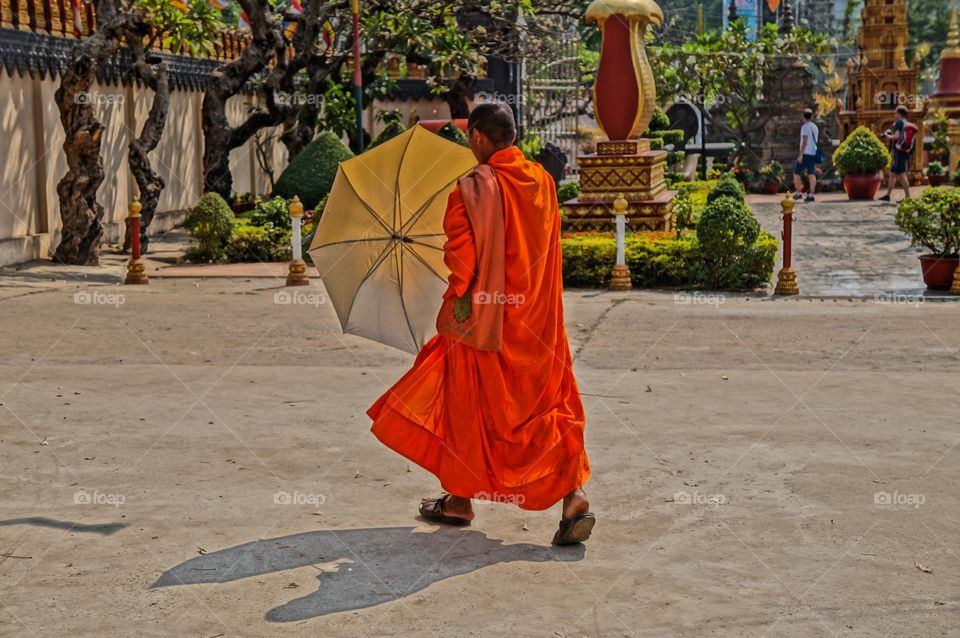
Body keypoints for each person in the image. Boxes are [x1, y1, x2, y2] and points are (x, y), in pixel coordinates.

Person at [367, 103, 595, 546]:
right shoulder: (543, 183)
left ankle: (459, 499)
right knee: (547, 406)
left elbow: (463, 261)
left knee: (465, 405)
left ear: (476, 137)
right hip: (540, 324)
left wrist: (457, 300)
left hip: (488, 325)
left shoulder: (472, 188)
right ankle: (573, 495)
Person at [879, 106, 914, 203]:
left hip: (900, 152)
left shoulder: (899, 123)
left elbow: (896, 136)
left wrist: (887, 136)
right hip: (902, 151)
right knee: (892, 173)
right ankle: (888, 195)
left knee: (902, 174)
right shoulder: (906, 123)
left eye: (895, 113)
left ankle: (908, 198)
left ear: (899, 114)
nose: (894, 115)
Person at [793, 109, 820, 203]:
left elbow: (804, 141)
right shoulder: (815, 127)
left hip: (806, 153)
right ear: (811, 116)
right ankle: (811, 194)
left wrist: (800, 154)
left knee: (796, 172)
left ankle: (799, 192)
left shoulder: (805, 127)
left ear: (803, 117)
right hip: (813, 152)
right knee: (811, 174)